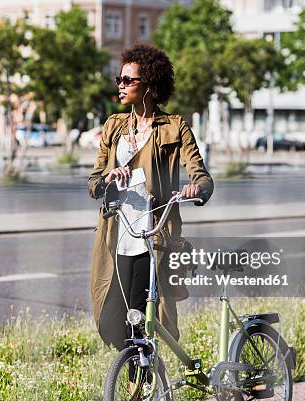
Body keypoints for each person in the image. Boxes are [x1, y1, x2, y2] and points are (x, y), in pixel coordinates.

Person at [87, 44, 214, 351]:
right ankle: (138, 374)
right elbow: (93, 183)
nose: (121, 84)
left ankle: (140, 388)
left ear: (151, 86)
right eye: (120, 78)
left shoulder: (174, 127)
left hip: (153, 236)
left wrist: (196, 188)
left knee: (139, 319)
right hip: (117, 234)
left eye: (129, 80)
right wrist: (107, 178)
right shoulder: (114, 126)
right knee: (110, 319)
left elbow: (201, 175)